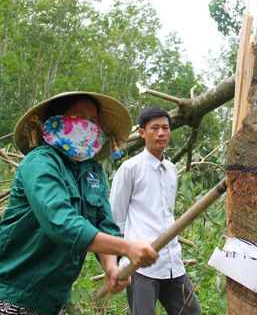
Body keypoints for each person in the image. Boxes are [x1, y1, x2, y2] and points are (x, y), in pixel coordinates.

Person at [0, 92, 159, 315]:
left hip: (55, 301)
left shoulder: (92, 172)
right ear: (58, 120)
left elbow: (104, 224)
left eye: (93, 121)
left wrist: (111, 266)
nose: (87, 125)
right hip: (15, 297)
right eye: (79, 117)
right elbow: (60, 222)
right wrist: (128, 247)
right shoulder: (40, 162)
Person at [109, 107, 201, 315]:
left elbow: (167, 214)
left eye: (166, 128)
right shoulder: (130, 169)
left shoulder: (171, 169)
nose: (161, 133)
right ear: (142, 133)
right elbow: (116, 219)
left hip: (172, 262)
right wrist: (122, 259)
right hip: (141, 265)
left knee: (191, 311)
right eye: (155, 128)